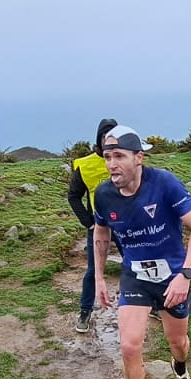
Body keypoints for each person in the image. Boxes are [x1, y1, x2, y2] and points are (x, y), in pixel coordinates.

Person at [91, 124, 191, 379]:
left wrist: (186, 274)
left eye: (119, 156)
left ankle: (180, 368)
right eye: (107, 157)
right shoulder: (103, 194)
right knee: (129, 344)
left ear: (138, 158)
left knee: (178, 343)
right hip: (135, 276)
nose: (111, 164)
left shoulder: (164, 183)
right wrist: (100, 277)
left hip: (173, 277)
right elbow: (100, 233)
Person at [67, 118, 119, 333]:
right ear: (98, 138)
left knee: (137, 264)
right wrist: (88, 223)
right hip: (100, 226)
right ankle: (85, 312)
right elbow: (74, 196)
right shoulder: (85, 165)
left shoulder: (124, 158)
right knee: (93, 271)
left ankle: (153, 305)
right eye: (104, 136)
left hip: (127, 223)